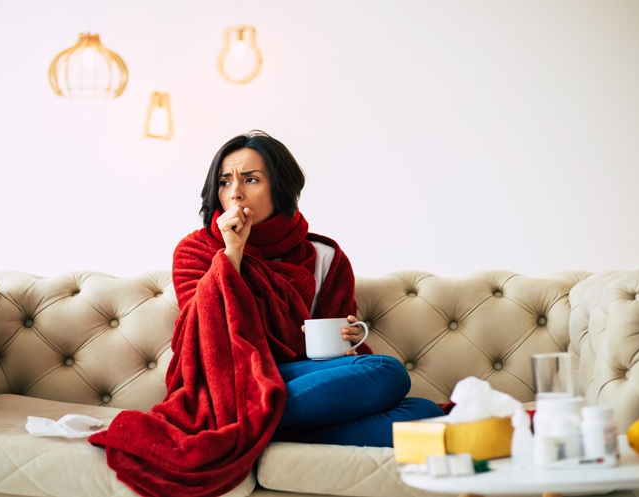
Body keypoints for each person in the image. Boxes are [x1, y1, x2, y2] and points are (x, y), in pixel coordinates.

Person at [89, 130, 443, 497]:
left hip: (293, 375)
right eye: (225, 182)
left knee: (424, 411)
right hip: (227, 382)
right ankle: (253, 423)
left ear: (281, 188)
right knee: (389, 372)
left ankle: (255, 431)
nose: (235, 193)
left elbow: (332, 349)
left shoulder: (323, 256)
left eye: (251, 179)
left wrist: (350, 340)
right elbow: (202, 331)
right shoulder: (196, 250)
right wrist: (231, 254)